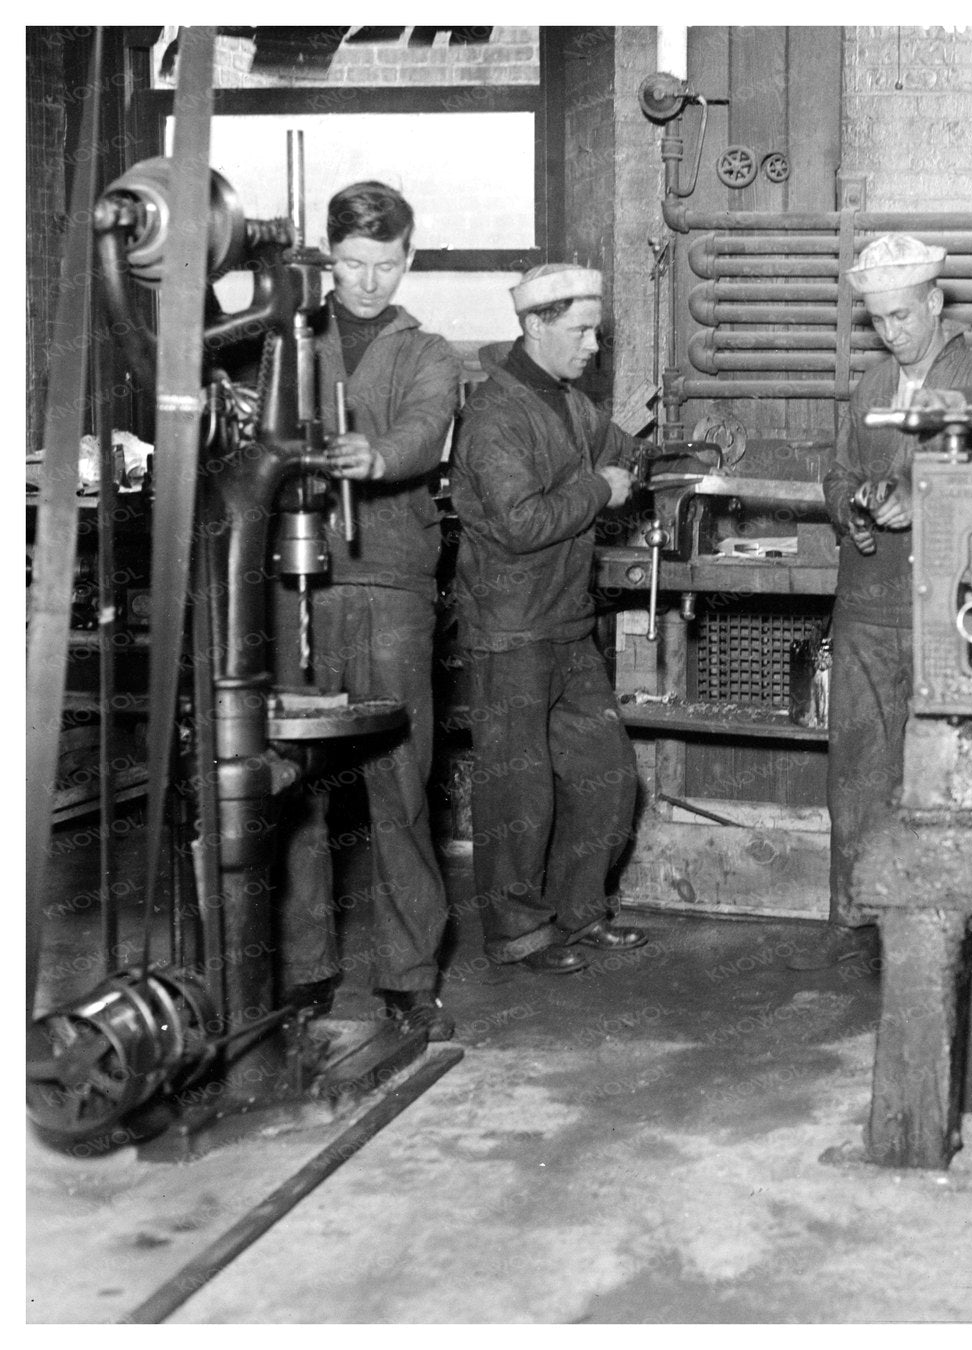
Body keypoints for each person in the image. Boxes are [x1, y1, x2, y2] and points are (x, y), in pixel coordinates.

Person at [276, 181, 463, 1040]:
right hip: (297, 586)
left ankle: (408, 974)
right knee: (294, 782)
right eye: (352, 263)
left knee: (398, 784)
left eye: (385, 264)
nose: (368, 281)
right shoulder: (286, 341)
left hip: (391, 587)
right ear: (328, 256)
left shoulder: (428, 351)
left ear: (408, 257)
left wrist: (375, 456)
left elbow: (425, 432)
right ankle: (301, 967)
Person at [804, 234, 972, 970]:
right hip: (865, 602)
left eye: (902, 316)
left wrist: (923, 501)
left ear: (934, 302)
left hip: (946, 609)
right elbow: (837, 472)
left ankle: (942, 928)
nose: (891, 332)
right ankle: (855, 919)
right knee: (857, 769)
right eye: (878, 319)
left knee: (943, 770)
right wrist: (852, 507)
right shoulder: (870, 385)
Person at [451, 262, 650, 974]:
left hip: (565, 621)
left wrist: (649, 457)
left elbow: (618, 448)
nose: (594, 345)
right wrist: (599, 489)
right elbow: (521, 524)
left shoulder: (564, 401)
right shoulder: (496, 417)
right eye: (581, 331)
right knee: (517, 789)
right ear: (535, 325)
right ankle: (517, 933)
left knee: (607, 773)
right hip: (511, 628)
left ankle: (579, 910)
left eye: (596, 330)